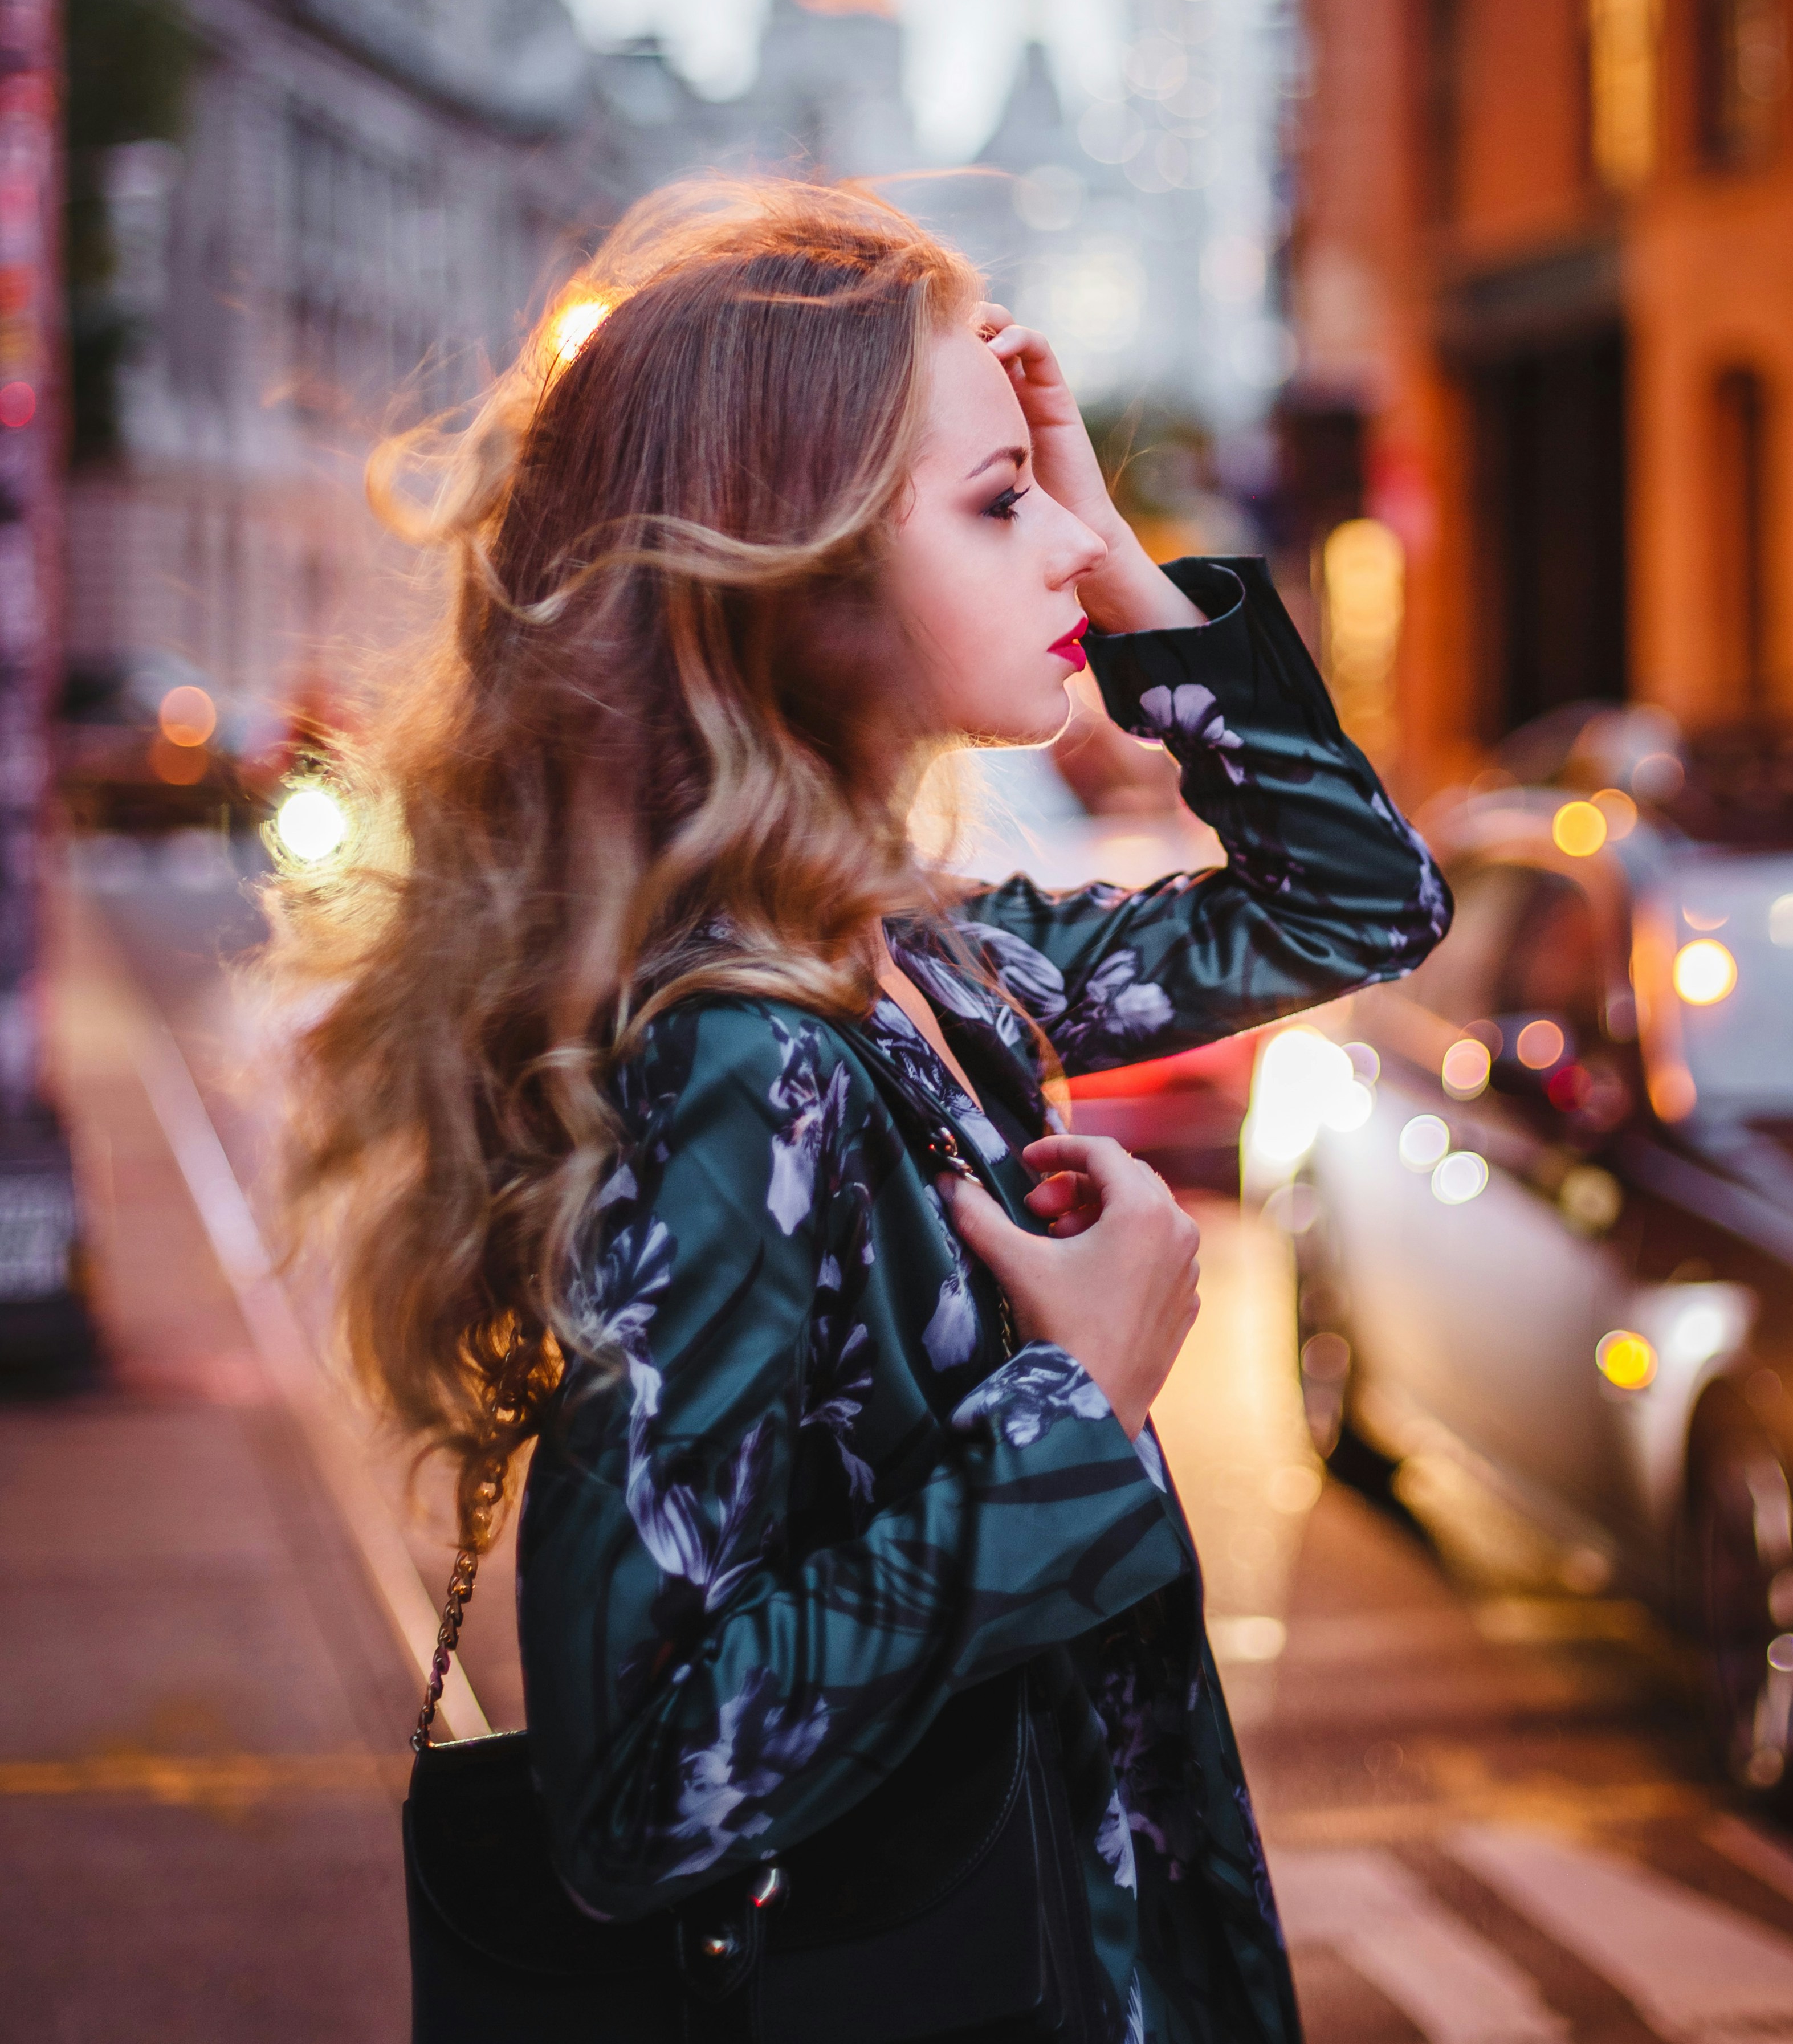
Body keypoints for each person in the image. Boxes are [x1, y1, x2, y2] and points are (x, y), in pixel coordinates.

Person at [279, 177, 1450, 2044]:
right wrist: (1078, 1406)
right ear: (794, 574)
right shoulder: (731, 1064)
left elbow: (1359, 903)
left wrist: (1130, 568)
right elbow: (639, 1798)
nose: (1066, 546)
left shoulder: (926, 961)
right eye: (1000, 506)